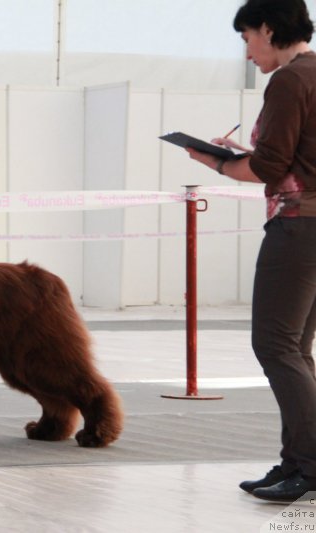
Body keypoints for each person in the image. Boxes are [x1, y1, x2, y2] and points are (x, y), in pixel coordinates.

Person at [186, 0, 316, 503]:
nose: (247, 51)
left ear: (268, 28)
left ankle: (307, 464)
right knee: (297, 351)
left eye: (246, 38)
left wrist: (215, 162)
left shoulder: (289, 80)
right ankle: (297, 461)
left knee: (276, 346)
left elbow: (269, 169)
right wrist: (248, 157)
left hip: (297, 227)